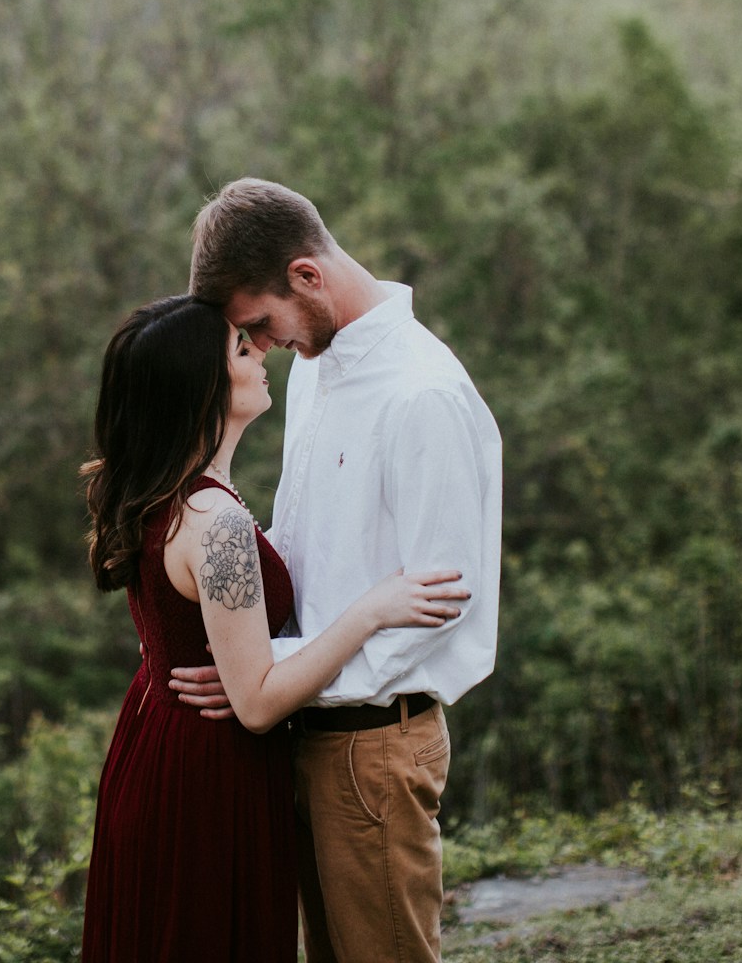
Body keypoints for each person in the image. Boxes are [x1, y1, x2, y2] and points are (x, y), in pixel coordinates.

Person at [79, 294, 470, 962]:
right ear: (204, 387)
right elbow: (257, 703)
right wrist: (372, 609)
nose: (260, 350)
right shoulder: (214, 522)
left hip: (159, 747)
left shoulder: (167, 500)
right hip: (207, 772)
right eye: (240, 348)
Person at [173, 178, 502, 963]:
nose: (257, 347)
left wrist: (267, 671)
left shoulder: (423, 395)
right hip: (303, 732)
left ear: (307, 277)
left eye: (258, 324)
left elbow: (440, 605)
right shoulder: (316, 366)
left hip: (373, 748)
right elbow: (308, 550)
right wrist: (255, 662)